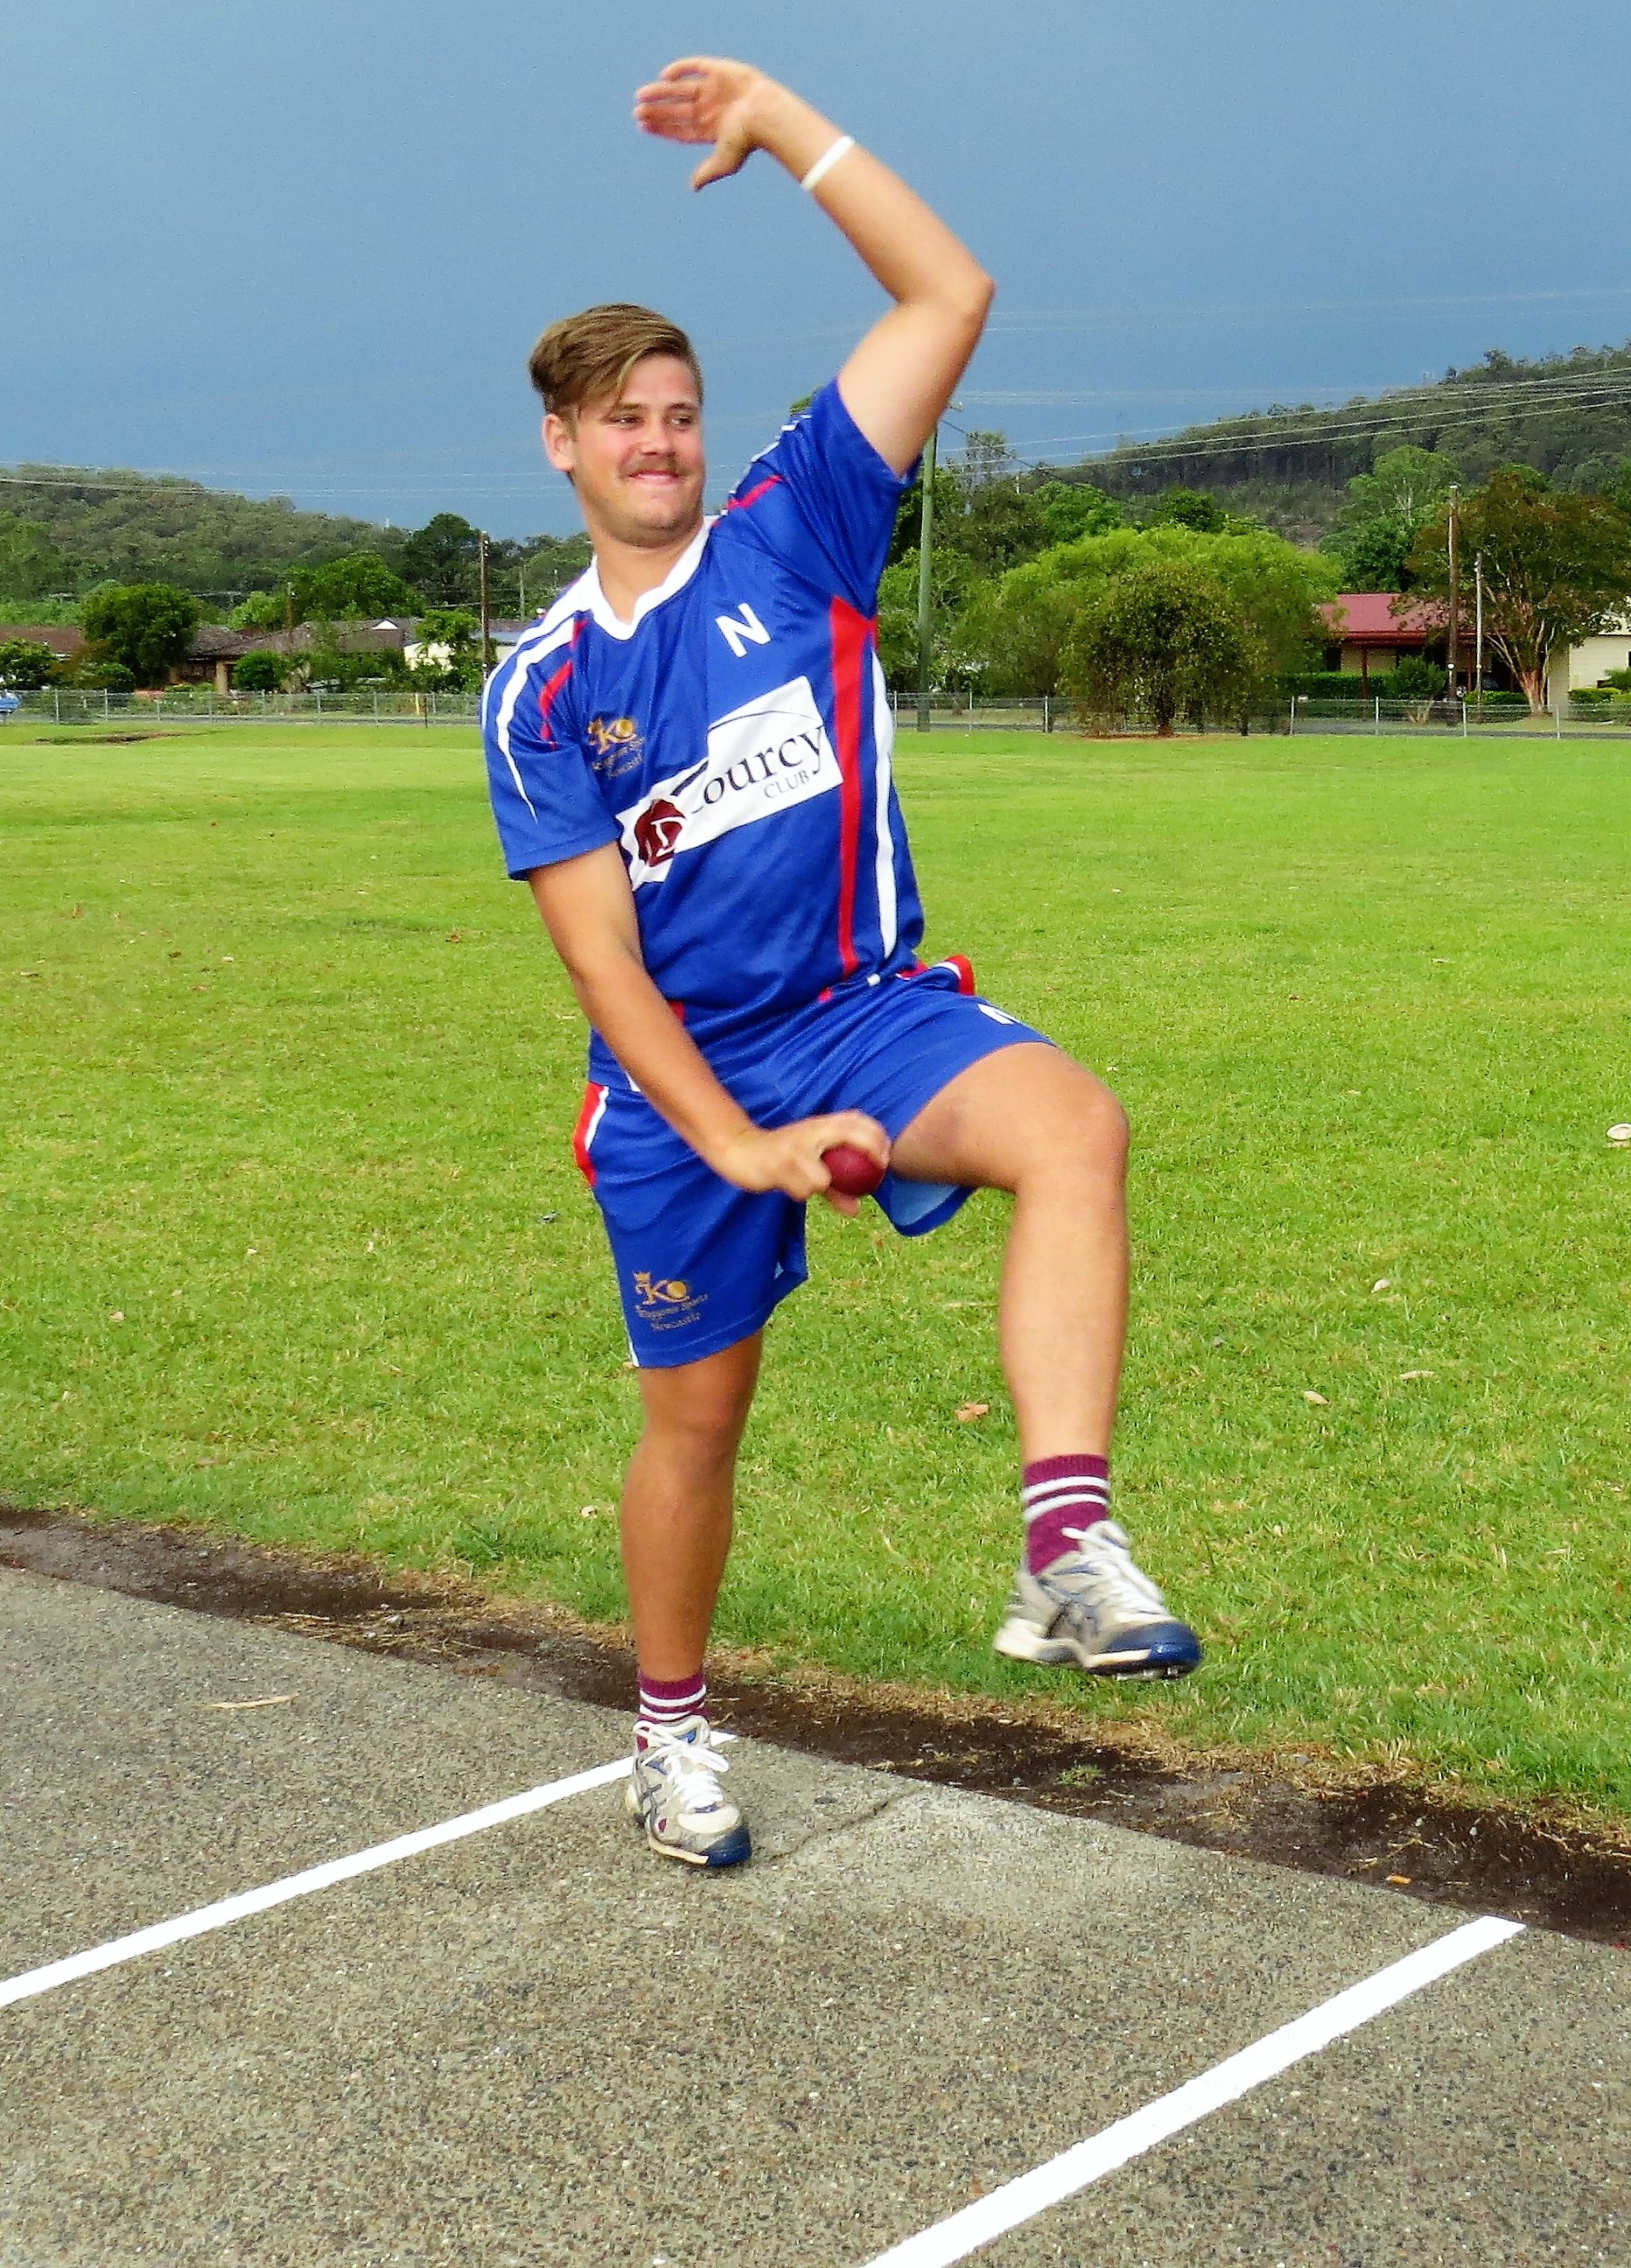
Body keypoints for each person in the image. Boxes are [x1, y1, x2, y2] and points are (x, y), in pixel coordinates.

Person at [482, 56, 1200, 1870]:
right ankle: (667, 1734)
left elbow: (946, 291)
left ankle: (1064, 1546)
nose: (660, 442)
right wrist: (734, 1143)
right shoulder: (542, 689)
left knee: (1075, 1127)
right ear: (562, 447)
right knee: (697, 1429)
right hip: (681, 1084)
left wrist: (786, 121)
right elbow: (604, 967)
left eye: (677, 412)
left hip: (863, 1013)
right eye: (622, 421)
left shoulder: (795, 524)